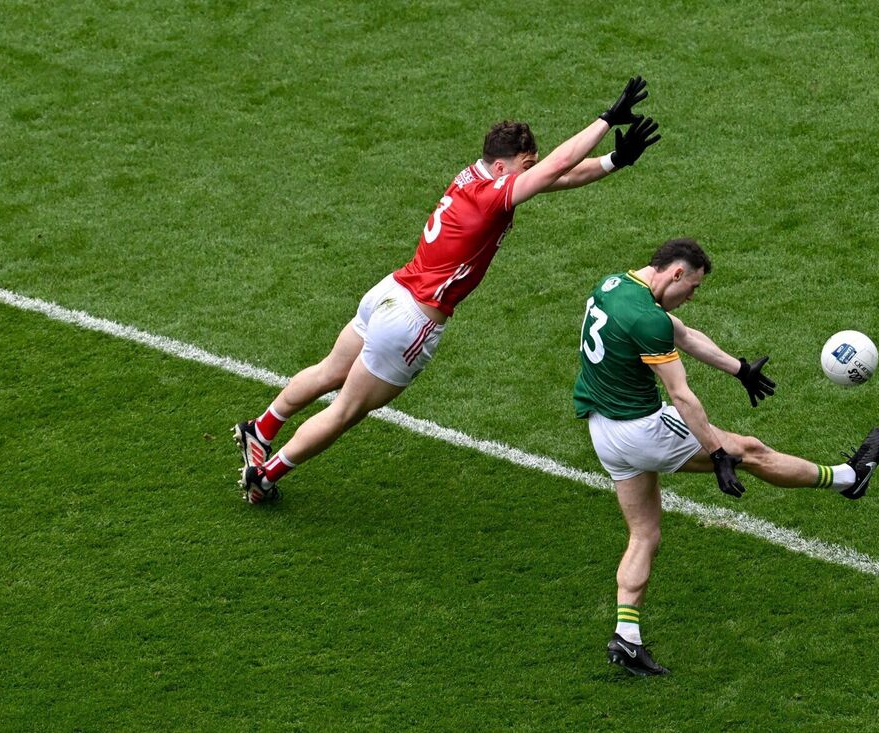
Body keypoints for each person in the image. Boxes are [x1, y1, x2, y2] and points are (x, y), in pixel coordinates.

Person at [234, 77, 662, 504]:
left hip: (391, 290)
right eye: (526, 165)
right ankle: (264, 477)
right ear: (502, 168)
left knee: (330, 369)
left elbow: (557, 177)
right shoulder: (493, 197)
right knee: (345, 410)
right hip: (413, 319)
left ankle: (261, 429)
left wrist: (613, 161)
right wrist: (606, 119)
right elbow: (556, 167)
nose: (531, 173)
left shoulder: (474, 177)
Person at [572, 238, 879, 676]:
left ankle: (627, 638)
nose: (692, 296)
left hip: (603, 432)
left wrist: (738, 369)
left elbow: (682, 333)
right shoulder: (648, 318)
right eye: (693, 287)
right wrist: (719, 453)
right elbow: (682, 396)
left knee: (644, 534)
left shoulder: (614, 286)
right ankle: (850, 479)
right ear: (676, 273)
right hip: (642, 430)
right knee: (750, 451)